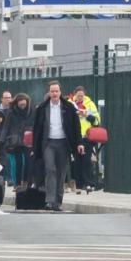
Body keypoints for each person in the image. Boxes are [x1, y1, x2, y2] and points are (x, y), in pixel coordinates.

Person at [33, 80, 85, 212]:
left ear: (60, 92)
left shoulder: (68, 107)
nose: (54, 93)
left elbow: (76, 127)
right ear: (49, 93)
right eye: (52, 91)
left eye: (56, 91)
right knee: (50, 169)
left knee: (61, 173)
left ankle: (57, 201)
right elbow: (37, 129)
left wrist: (79, 143)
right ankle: (49, 201)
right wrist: (35, 147)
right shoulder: (42, 108)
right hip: (48, 143)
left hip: (64, 143)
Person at [70, 86, 100, 193]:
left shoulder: (90, 104)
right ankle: (78, 184)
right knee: (76, 161)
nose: (80, 98)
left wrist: (87, 115)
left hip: (87, 137)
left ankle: (88, 183)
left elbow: (96, 121)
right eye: (78, 96)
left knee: (87, 160)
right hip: (74, 137)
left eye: (82, 96)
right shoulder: (70, 104)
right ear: (74, 95)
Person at [0, 93, 33, 191]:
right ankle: (18, 183)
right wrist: (2, 141)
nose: (23, 106)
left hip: (28, 140)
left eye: (24, 104)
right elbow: (6, 127)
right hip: (16, 141)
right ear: (17, 103)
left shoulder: (31, 111)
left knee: (27, 162)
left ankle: (26, 182)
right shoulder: (11, 112)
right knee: (18, 162)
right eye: (20, 104)